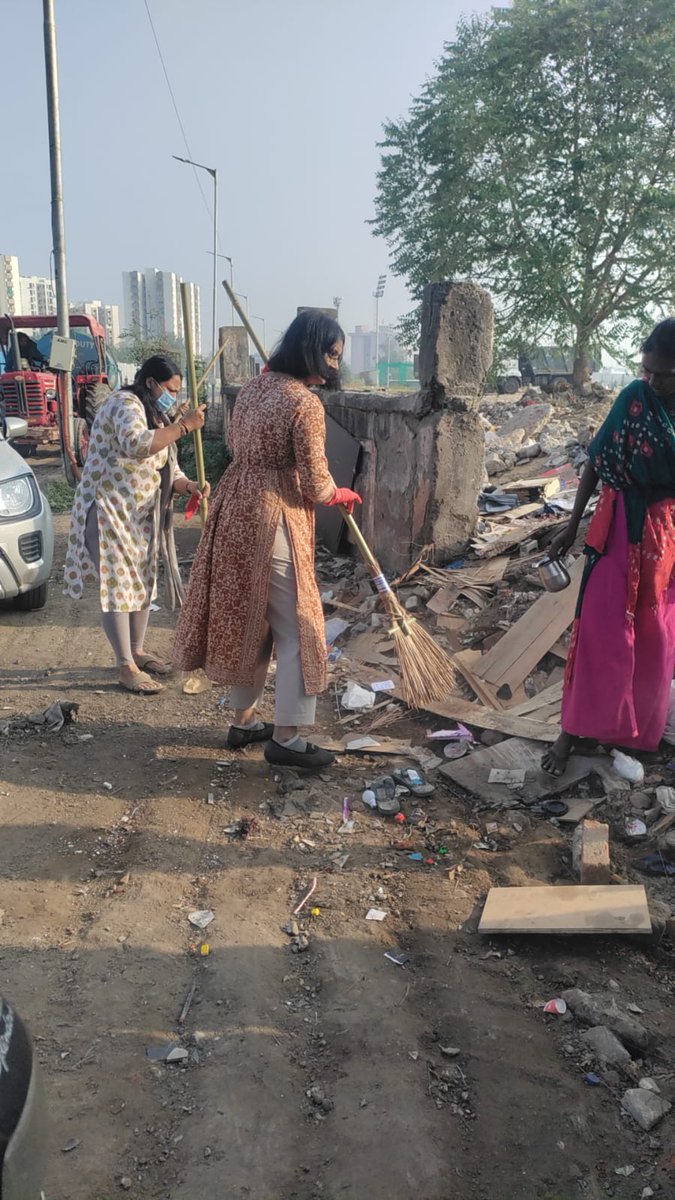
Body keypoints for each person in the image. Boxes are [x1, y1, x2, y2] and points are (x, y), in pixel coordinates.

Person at [174, 309, 361, 769]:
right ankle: (287, 738)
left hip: (235, 504)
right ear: (310, 350)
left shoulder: (256, 387)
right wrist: (342, 492)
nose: (335, 365)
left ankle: (243, 721)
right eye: (331, 354)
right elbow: (317, 485)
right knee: (300, 625)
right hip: (272, 515)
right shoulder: (304, 404)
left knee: (249, 617)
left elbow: (239, 443)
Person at [542, 318, 675, 775]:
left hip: (664, 536)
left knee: (654, 637)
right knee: (600, 630)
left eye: (664, 374)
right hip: (616, 527)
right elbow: (596, 462)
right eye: (648, 370)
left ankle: (634, 734)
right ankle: (571, 730)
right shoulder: (632, 399)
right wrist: (572, 524)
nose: (653, 381)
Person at [64, 354, 209, 694]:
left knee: (142, 582)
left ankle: (139, 651)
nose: (173, 396)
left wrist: (187, 485)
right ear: (150, 383)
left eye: (177, 390)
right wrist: (185, 425)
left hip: (138, 514)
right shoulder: (123, 403)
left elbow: (167, 466)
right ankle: (125, 664)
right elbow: (138, 444)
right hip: (107, 509)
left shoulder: (157, 413)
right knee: (118, 587)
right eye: (169, 389)